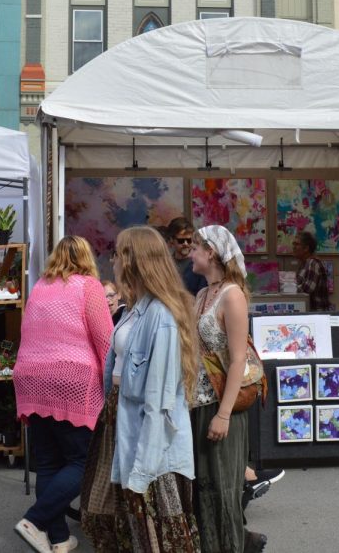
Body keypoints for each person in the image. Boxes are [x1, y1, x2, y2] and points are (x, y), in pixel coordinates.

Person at [81, 226, 200, 551]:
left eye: (118, 253)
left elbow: (159, 402)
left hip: (146, 439)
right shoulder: (136, 307)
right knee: (113, 521)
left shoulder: (159, 316)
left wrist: (143, 470)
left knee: (152, 530)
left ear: (134, 261)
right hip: (119, 424)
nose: (113, 260)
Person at [12, 235, 113, 553]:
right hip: (71, 381)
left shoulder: (40, 286)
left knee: (48, 463)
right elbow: (106, 341)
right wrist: (112, 386)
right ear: (86, 259)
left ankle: (57, 540)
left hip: (31, 378)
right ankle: (35, 519)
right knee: (81, 461)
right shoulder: (88, 286)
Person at [189, 225, 265, 553]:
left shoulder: (232, 295)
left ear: (212, 252)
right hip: (197, 406)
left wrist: (223, 414)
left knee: (223, 492)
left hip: (222, 408)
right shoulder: (202, 295)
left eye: (195, 247)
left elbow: (238, 361)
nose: (190, 253)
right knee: (202, 490)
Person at [167, 217, 207, 295]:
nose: (185, 244)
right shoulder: (166, 263)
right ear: (172, 240)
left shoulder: (200, 263)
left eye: (189, 240)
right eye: (181, 241)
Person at [292, 231, 329, 312]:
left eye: (296, 244)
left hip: (316, 314)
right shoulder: (305, 264)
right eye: (293, 244)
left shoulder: (313, 263)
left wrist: (289, 289)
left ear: (306, 248)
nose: (293, 247)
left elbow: (307, 289)